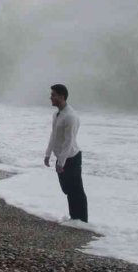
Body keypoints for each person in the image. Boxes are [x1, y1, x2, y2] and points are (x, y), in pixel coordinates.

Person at [44, 83, 87, 222]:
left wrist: (61, 162)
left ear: (62, 97)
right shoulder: (57, 115)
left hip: (72, 157)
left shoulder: (70, 116)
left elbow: (69, 142)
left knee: (76, 191)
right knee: (67, 190)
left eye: (53, 95)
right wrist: (47, 154)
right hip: (62, 157)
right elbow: (54, 135)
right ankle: (74, 218)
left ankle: (81, 220)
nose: (50, 97)